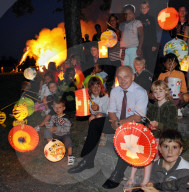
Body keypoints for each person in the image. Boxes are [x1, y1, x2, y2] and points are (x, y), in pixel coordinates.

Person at [68, 66, 148, 189]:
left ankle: (118, 173)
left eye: (126, 76)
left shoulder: (141, 92)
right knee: (95, 124)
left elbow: (138, 117)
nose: (122, 80)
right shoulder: (115, 91)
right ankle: (88, 160)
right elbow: (111, 111)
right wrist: (115, 121)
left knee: (128, 139)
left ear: (132, 77)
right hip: (117, 121)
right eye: (119, 77)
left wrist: (120, 123)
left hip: (134, 124)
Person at [124, 80, 178, 191]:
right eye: (155, 91)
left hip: (164, 138)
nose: (158, 94)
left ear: (166, 91)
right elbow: (148, 122)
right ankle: (132, 177)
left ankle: (145, 181)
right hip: (152, 136)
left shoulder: (171, 107)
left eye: (160, 91)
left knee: (149, 154)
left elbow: (173, 126)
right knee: (137, 149)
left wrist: (159, 125)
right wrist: (150, 126)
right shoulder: (153, 106)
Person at [44, 98, 75, 166]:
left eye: (59, 107)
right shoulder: (53, 117)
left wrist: (57, 129)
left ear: (63, 108)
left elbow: (67, 129)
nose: (57, 109)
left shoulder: (66, 118)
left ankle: (70, 156)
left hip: (64, 135)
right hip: (55, 136)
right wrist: (48, 125)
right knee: (47, 131)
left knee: (68, 142)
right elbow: (51, 125)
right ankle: (52, 145)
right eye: (55, 107)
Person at [119, 4, 144, 71]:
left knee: (133, 68)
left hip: (133, 49)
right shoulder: (122, 24)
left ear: (133, 14)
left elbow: (141, 35)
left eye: (130, 13)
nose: (128, 15)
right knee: (125, 69)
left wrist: (139, 48)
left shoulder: (137, 23)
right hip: (123, 49)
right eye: (126, 14)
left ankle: (134, 81)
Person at [136, 1, 158, 73]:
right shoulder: (137, 19)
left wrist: (154, 44)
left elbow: (153, 32)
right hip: (140, 45)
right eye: (142, 8)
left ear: (148, 8)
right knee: (141, 62)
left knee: (150, 63)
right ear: (140, 9)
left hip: (150, 44)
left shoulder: (151, 19)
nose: (143, 9)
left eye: (145, 8)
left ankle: (150, 78)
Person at [88, 76, 109, 146]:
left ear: (101, 87)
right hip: (95, 115)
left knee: (99, 115)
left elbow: (107, 111)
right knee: (91, 117)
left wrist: (98, 109)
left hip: (105, 116)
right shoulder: (89, 98)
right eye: (93, 87)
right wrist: (94, 110)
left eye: (98, 86)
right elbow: (91, 112)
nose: (96, 89)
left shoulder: (105, 97)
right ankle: (93, 134)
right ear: (90, 88)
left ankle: (102, 134)